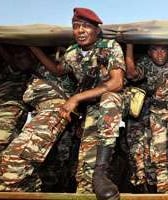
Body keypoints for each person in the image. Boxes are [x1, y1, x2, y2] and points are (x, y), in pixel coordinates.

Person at [29, 7, 126, 200]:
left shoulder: (109, 46)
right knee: (86, 162)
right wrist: (32, 46)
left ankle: (101, 173)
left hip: (113, 101)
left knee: (109, 99)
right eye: (76, 26)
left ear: (97, 30)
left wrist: (75, 98)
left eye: (86, 26)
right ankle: (90, 182)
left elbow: (116, 83)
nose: (80, 31)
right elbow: (58, 70)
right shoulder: (72, 52)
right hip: (90, 109)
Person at [0, 45, 77, 192]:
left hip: (55, 111)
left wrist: (31, 44)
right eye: (15, 57)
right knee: (46, 171)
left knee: (13, 163)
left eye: (21, 56)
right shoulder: (30, 73)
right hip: (42, 113)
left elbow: (58, 69)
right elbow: (12, 61)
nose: (17, 60)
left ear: (33, 55)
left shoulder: (54, 67)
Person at [126, 43, 168, 193]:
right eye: (155, 50)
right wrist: (129, 45)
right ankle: (163, 192)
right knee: (159, 155)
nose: (160, 54)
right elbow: (131, 74)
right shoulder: (145, 63)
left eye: (163, 50)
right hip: (156, 113)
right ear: (149, 52)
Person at [0, 44, 34, 151]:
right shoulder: (6, 70)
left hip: (10, 107)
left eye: (20, 55)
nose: (17, 58)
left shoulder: (25, 74)